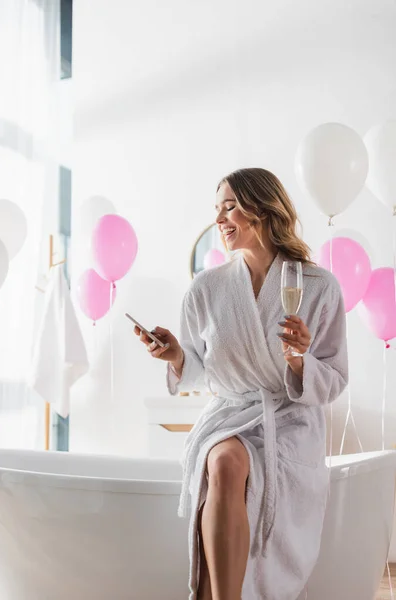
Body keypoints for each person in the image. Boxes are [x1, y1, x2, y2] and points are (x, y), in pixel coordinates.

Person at [134, 168, 348, 600]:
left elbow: (336, 378)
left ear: (264, 209)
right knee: (226, 462)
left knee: (231, 465)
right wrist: (175, 355)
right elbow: (199, 364)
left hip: (289, 420)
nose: (220, 219)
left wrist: (300, 359)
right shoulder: (205, 288)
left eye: (230, 206)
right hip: (232, 414)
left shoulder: (319, 286)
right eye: (216, 210)